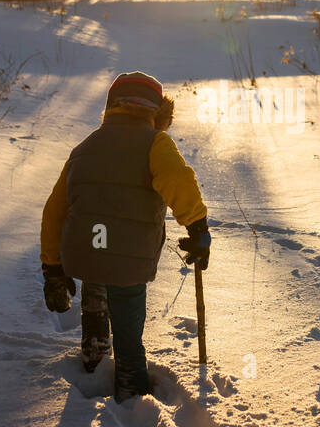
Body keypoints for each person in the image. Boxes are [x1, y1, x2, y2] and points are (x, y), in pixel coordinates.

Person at [39, 71, 210, 401]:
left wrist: (53, 269)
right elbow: (179, 180)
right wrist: (197, 227)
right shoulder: (154, 143)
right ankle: (130, 380)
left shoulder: (83, 148)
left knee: (96, 285)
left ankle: (94, 350)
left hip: (87, 253)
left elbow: (54, 211)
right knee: (128, 318)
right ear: (156, 112)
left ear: (110, 106)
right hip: (129, 260)